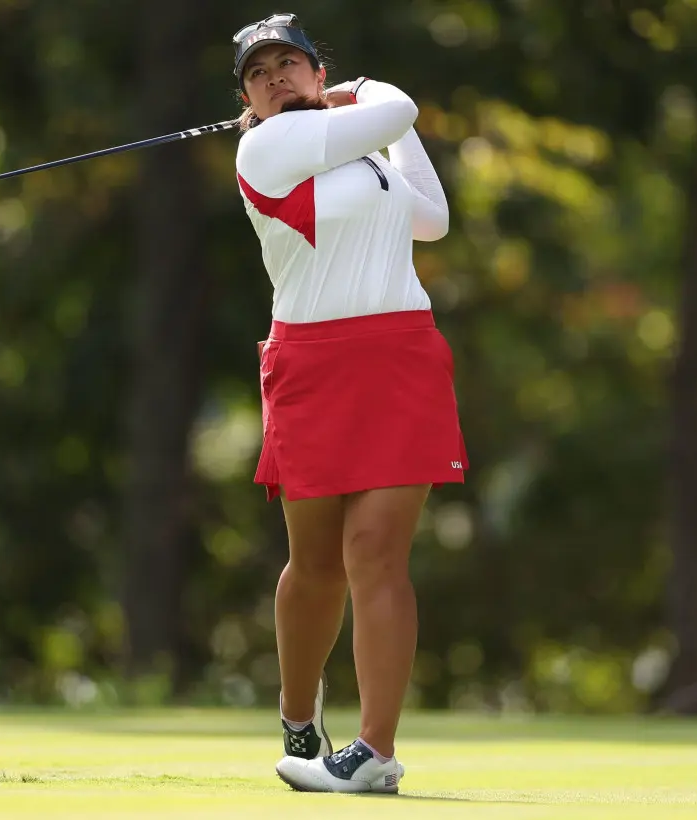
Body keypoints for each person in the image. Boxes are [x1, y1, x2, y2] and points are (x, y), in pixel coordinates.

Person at [231, 13, 467, 795]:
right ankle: (300, 712)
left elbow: (430, 218)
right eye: (257, 73)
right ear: (248, 102)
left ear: (314, 72)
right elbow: (400, 110)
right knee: (319, 563)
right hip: (312, 362)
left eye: (287, 63)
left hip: (400, 353)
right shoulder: (264, 148)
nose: (274, 77)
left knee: (376, 554)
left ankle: (375, 751)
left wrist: (358, 110)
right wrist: (362, 94)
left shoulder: (360, 151)